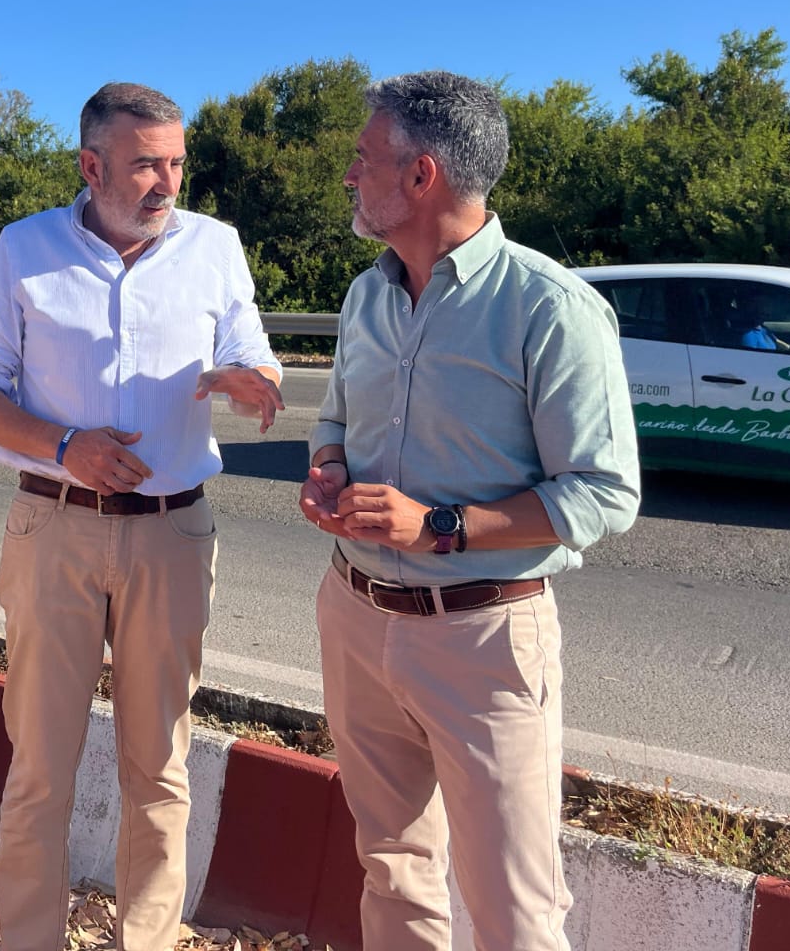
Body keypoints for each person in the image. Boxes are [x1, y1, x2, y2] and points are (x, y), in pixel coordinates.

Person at [300, 71, 640, 951]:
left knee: (516, 912)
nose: (350, 174)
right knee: (392, 869)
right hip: (355, 617)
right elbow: (335, 417)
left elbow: (604, 494)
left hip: (483, 640)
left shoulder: (550, 307)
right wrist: (327, 470)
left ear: (422, 176)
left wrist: (439, 526)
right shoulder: (367, 294)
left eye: (364, 156)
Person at [0, 82, 284, 950]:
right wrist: (65, 446)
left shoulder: (215, 246)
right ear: (92, 167)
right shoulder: (26, 248)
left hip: (172, 533)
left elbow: (251, 349)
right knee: (40, 768)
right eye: (145, 165)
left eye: (176, 163)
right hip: (53, 526)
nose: (166, 182)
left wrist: (250, 379)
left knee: (159, 767)